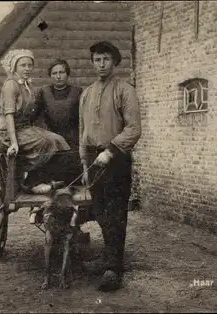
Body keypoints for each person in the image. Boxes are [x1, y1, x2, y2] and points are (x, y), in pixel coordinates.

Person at [78, 41, 142, 292]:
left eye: (105, 59)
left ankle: (114, 270)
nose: (101, 64)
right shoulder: (87, 93)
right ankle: (108, 258)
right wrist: (85, 162)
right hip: (94, 160)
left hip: (115, 160)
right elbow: (83, 132)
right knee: (101, 212)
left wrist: (111, 151)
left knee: (116, 213)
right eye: (97, 59)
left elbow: (134, 128)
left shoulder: (125, 90)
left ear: (114, 62)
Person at [0, 49, 71, 194]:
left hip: (24, 128)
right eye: (23, 65)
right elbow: (8, 115)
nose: (27, 69)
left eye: (30, 65)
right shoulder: (11, 85)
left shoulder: (27, 85)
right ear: (14, 67)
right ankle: (30, 181)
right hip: (9, 132)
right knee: (45, 142)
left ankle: (44, 178)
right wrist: (14, 142)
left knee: (58, 140)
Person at [32, 59, 83, 185]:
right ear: (50, 76)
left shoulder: (78, 92)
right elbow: (33, 115)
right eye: (54, 73)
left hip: (73, 139)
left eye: (62, 72)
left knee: (72, 163)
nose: (58, 76)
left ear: (67, 74)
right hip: (52, 139)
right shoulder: (43, 92)